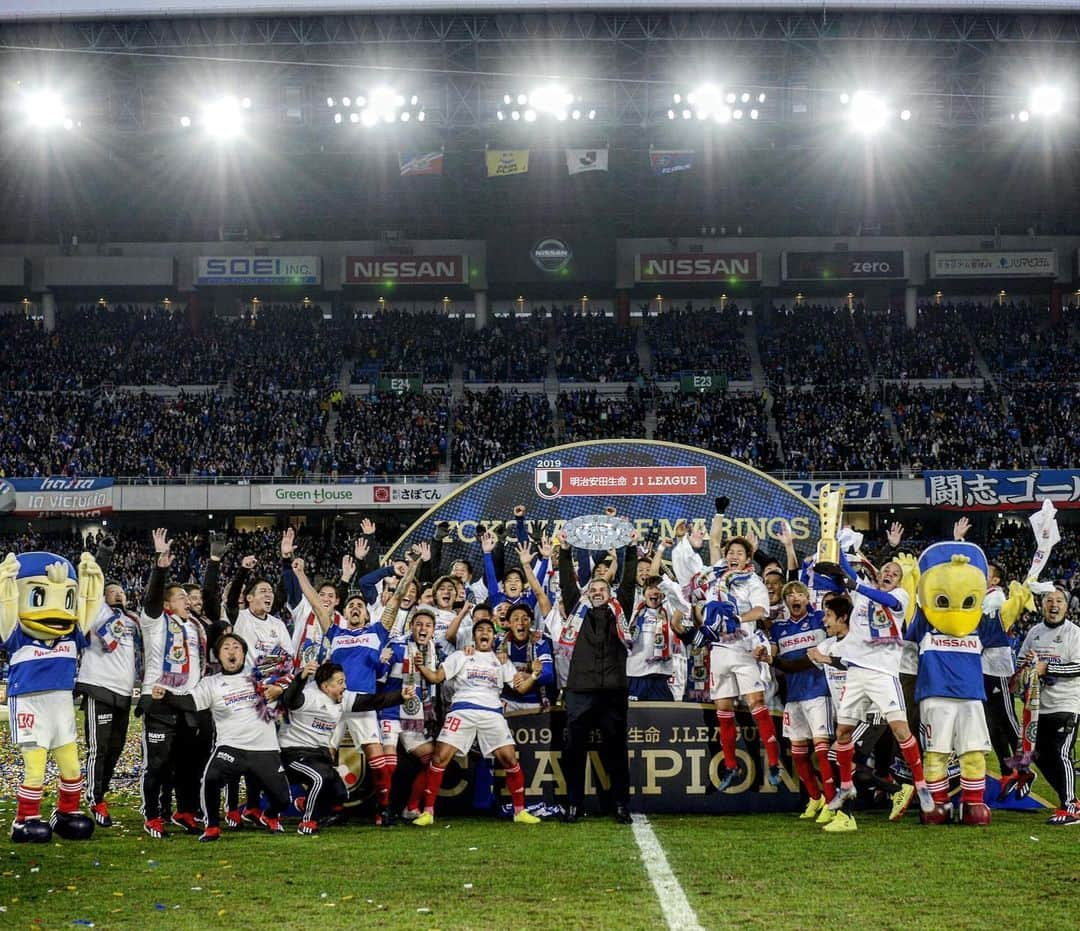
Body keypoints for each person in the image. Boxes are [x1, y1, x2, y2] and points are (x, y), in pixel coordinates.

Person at [813, 556, 935, 825]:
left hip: (883, 673)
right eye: (885, 571)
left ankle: (921, 785)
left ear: (899, 580)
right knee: (842, 732)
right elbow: (844, 571)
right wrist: (840, 547)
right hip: (856, 672)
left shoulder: (901, 596)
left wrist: (856, 584)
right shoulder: (861, 596)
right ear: (877, 576)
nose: (890, 574)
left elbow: (887, 601)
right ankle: (846, 787)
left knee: (900, 729)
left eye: (895, 572)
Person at [151, 633, 291, 842]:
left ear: (244, 654)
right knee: (211, 779)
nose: (232, 651)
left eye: (237, 647)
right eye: (226, 648)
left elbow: (292, 674)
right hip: (231, 747)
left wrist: (280, 688)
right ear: (218, 656)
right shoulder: (211, 683)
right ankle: (212, 827)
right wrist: (166, 696)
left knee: (283, 799)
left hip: (265, 748)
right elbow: (190, 702)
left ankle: (270, 816)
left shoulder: (261, 675)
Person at [411, 613, 542, 826]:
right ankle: (428, 812)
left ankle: (519, 811)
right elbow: (436, 677)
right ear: (473, 637)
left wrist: (534, 675)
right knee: (440, 758)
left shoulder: (501, 661)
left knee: (510, 759)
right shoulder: (461, 656)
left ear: (493, 637)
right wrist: (421, 666)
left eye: (489, 631)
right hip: (462, 710)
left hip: (492, 712)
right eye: (480, 630)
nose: (485, 633)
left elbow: (520, 688)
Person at [556, 529, 638, 824]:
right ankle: (573, 805)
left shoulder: (621, 611)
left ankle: (620, 805)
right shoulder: (577, 612)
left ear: (610, 592)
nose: (597, 591)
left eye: (602, 587)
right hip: (579, 691)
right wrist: (564, 551)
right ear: (588, 592)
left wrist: (631, 548)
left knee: (616, 751)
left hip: (614, 691)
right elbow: (568, 581)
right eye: (593, 587)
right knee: (573, 751)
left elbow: (629, 581)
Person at [279, 659, 415, 835]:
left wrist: (399, 697)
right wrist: (301, 677)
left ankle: (305, 803)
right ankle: (307, 822)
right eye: (340, 682)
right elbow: (290, 699)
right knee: (318, 778)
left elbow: (371, 701)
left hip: (317, 754)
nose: (345, 686)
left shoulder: (343, 698)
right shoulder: (309, 696)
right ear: (326, 687)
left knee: (341, 793)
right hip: (294, 753)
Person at [138, 528, 207, 839]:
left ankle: (184, 811)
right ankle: (153, 815)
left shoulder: (194, 627)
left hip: (188, 702)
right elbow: (153, 598)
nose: (187, 601)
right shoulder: (155, 621)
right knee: (159, 764)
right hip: (160, 700)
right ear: (168, 604)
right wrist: (160, 567)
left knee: (188, 766)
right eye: (181, 597)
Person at [697, 536, 778, 789]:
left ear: (747, 558)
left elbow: (761, 611)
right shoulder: (715, 578)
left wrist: (737, 617)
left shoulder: (754, 582)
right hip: (720, 651)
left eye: (739, 553)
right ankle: (731, 766)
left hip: (745, 649)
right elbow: (706, 608)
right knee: (724, 710)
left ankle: (774, 762)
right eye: (730, 552)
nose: (734, 556)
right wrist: (709, 623)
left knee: (756, 703)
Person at [75, 579, 140, 827]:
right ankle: (94, 797)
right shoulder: (96, 610)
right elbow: (90, 589)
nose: (118, 594)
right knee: (98, 748)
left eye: (122, 591)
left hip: (123, 692)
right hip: (99, 686)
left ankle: (100, 792)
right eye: (113, 591)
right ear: (102, 596)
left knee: (115, 749)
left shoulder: (132, 620)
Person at [770, 580, 833, 820]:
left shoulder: (819, 620)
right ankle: (815, 798)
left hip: (818, 692)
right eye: (790, 595)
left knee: (821, 749)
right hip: (793, 696)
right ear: (785, 602)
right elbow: (773, 656)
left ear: (807, 598)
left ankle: (831, 800)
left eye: (800, 594)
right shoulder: (779, 628)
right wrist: (766, 656)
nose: (795, 598)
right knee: (798, 752)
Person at [1017, 587, 1080, 824]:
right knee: (1040, 755)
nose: (1054, 605)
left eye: (1059, 601)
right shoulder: (1034, 632)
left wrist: (1047, 668)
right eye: (1049, 600)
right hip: (1038, 706)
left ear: (1066, 606)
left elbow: (1078, 667)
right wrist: (1026, 665)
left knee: (1061, 753)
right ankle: (1069, 799)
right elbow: (1020, 661)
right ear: (1042, 605)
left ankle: (1070, 807)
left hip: (1066, 703)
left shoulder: (1074, 633)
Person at [379, 605, 445, 821]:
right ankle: (384, 809)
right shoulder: (397, 646)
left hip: (414, 717)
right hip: (389, 712)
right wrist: (383, 660)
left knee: (433, 760)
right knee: (389, 764)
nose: (423, 629)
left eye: (428, 625)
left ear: (433, 630)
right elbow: (379, 677)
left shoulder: (435, 652)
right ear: (411, 627)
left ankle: (411, 807)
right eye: (419, 624)